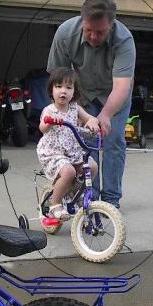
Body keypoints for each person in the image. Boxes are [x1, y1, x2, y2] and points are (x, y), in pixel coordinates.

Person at [47, 0, 136, 208]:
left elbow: (122, 86)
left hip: (114, 96)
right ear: (82, 21)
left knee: (113, 140)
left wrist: (105, 115)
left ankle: (111, 200)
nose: (94, 36)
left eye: (100, 32)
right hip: (82, 96)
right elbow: (57, 79)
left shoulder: (124, 40)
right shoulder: (64, 34)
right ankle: (91, 196)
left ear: (111, 26)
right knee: (86, 143)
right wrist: (66, 110)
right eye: (89, 30)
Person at [37, 67, 100, 220]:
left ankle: (76, 193)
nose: (63, 91)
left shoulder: (75, 108)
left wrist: (92, 123)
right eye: (58, 87)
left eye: (68, 87)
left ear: (74, 91)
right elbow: (42, 128)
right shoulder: (49, 110)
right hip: (53, 152)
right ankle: (55, 204)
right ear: (51, 90)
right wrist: (50, 122)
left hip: (73, 151)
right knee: (69, 172)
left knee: (92, 167)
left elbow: (91, 118)